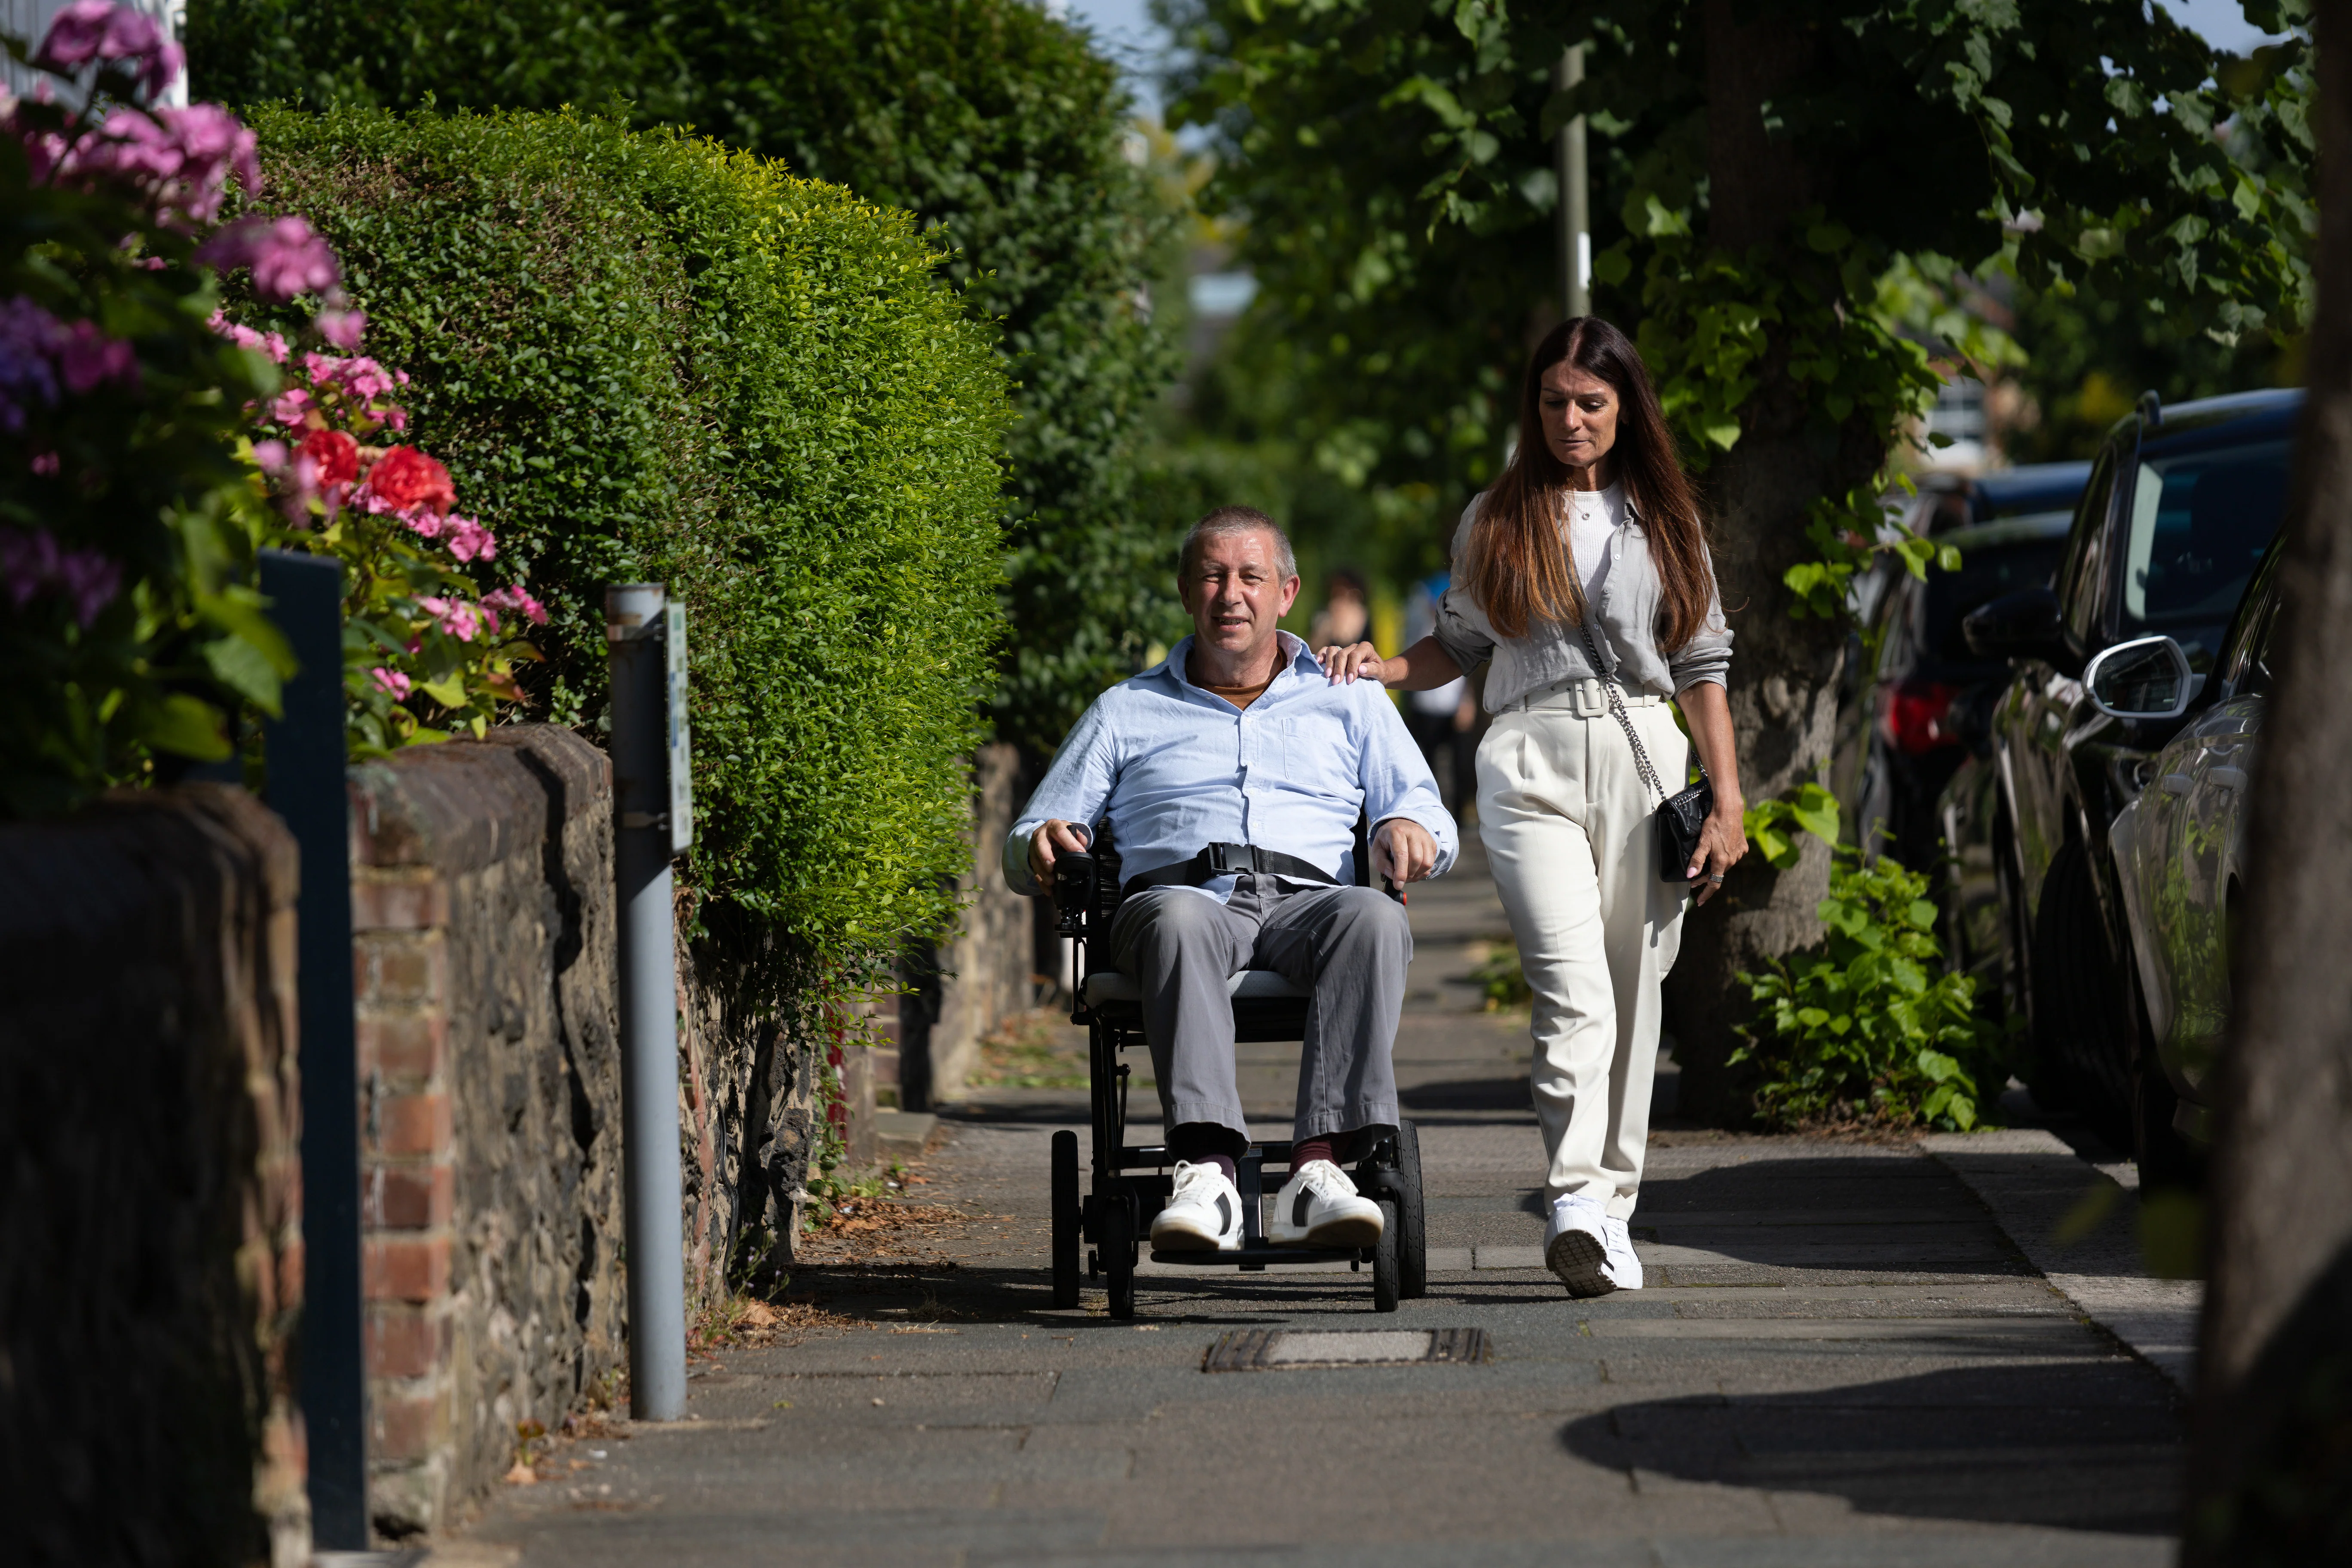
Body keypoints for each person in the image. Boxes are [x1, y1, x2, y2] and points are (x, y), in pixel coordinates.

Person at [1317, 317, 1749, 1298]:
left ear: (1625, 407)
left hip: (1645, 755)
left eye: (1590, 403)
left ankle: (1614, 1211)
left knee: (1637, 1000)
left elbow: (1704, 668)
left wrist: (1728, 800)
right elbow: (1459, 645)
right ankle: (1571, 1202)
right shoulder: (1497, 517)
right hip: (1527, 757)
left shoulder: (1670, 520)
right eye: (1554, 403)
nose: (1570, 420)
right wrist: (1383, 667)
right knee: (1570, 985)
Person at [1004, 507, 1458, 1255]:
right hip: (1182, 905)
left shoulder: (1349, 696)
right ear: (1187, 590)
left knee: (1377, 919)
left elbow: (1427, 816)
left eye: (1251, 576)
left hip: (1311, 904)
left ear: (1287, 592)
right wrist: (1044, 845)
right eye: (1213, 576)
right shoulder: (1126, 709)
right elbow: (1029, 836)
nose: (1231, 594)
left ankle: (1319, 1173)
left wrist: (1405, 830)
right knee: (1180, 918)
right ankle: (1208, 1170)